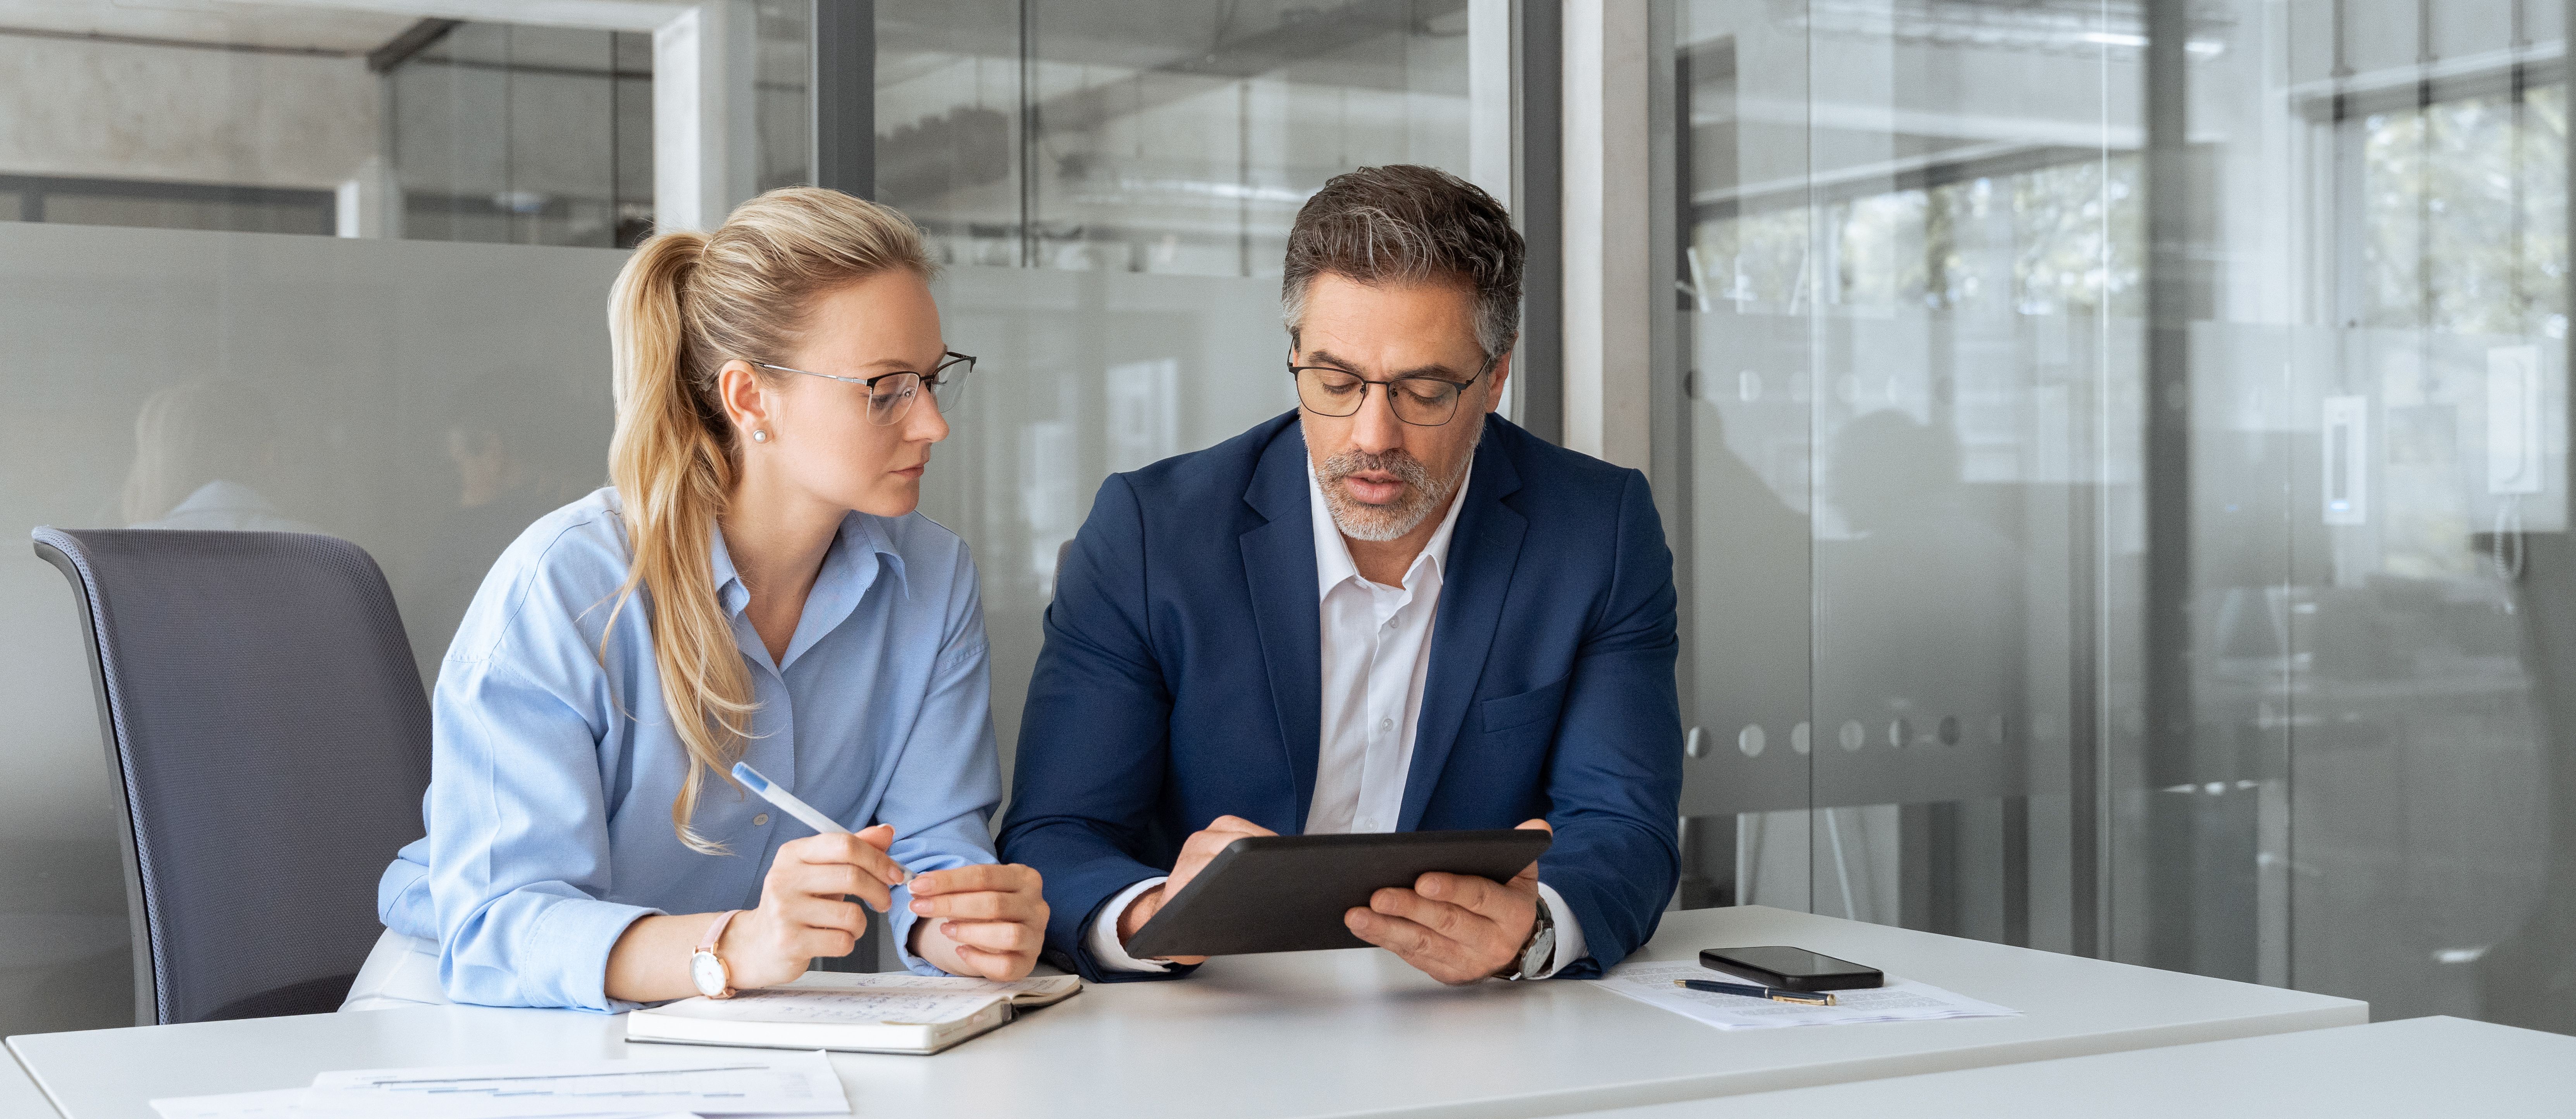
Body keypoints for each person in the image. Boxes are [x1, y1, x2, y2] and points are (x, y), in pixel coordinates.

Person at [349, 188, 1047, 1012]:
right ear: (751, 397)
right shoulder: (568, 585)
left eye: (932, 379)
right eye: (886, 387)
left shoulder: (933, 579)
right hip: (472, 1013)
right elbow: (502, 924)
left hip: (716, 1025)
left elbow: (930, 852)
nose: (932, 422)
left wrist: (961, 927)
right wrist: (737, 945)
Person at [999, 165, 1682, 985]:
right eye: (1335, 382)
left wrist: (1532, 931)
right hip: (1207, 1012)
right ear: (1294, 356)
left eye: (1424, 389)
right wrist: (1153, 915)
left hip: (1465, 1020)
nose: (1373, 434)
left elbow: (1625, 827)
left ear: (1495, 376)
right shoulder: (1152, 534)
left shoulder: (1596, 532)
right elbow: (1055, 832)